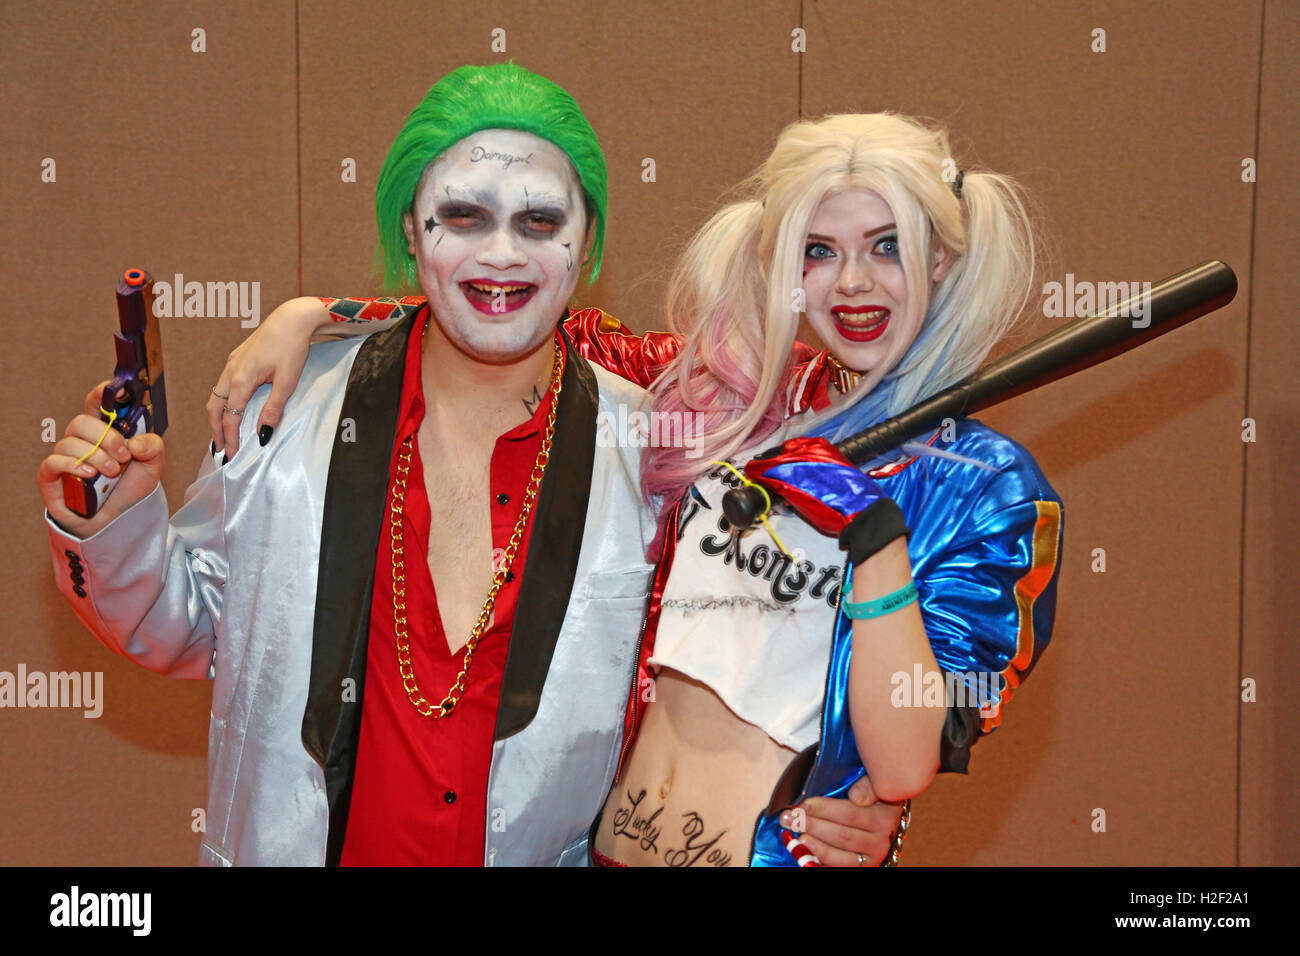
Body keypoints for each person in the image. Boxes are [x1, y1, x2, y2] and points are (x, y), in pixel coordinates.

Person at [38, 64, 893, 866]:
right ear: (411, 233)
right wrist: (106, 523)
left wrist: (860, 798)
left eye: (539, 222)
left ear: (587, 241)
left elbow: (747, 671)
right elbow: (187, 624)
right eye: (464, 218)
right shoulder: (286, 406)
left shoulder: (660, 450)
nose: (502, 257)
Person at [231, 111, 1063, 867]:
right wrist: (318, 315)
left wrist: (874, 540)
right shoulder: (724, 398)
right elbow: (520, 317)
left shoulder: (986, 489)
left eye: (888, 246)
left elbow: (909, 757)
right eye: (819, 249)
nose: (852, 282)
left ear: (944, 257)